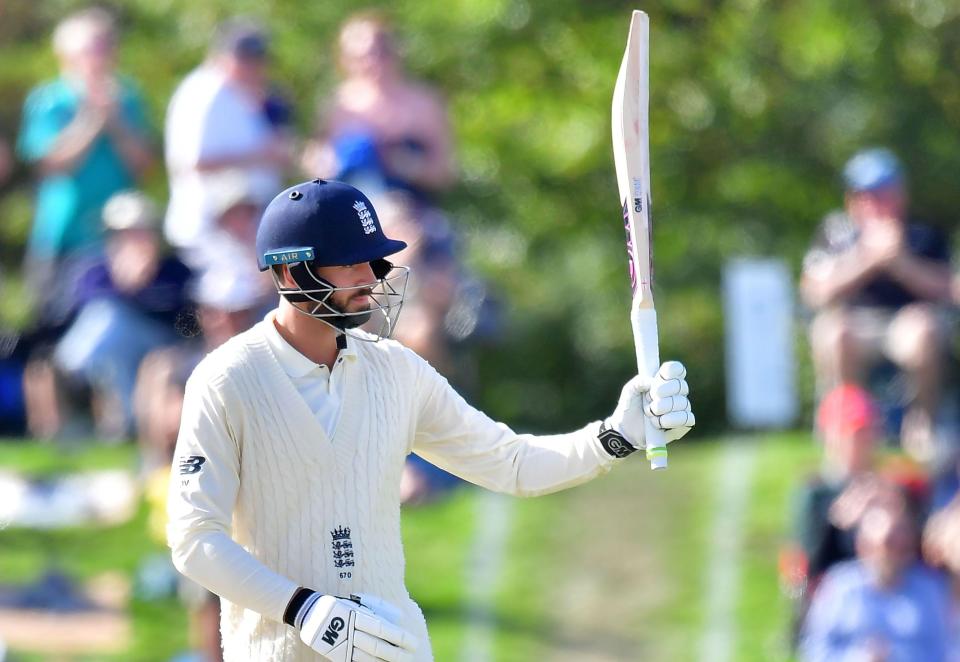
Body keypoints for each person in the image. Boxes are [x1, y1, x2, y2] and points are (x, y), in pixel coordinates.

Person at [166, 179, 695, 661]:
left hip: (394, 648)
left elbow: (511, 464)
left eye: (372, 262)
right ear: (288, 271)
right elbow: (194, 540)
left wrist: (614, 437)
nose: (369, 279)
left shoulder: (396, 370)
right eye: (349, 264)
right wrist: (301, 608)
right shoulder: (226, 381)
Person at [801, 148, 953, 460]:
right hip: (856, 325)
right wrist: (868, 258)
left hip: (905, 323)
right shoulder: (835, 234)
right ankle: (848, 426)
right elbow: (815, 292)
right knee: (834, 332)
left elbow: (949, 289)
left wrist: (900, 262)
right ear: (852, 199)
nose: (875, 203)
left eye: (884, 193)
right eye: (867, 195)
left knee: (923, 330)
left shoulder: (924, 234)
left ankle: (922, 423)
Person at [16, 7, 153, 320]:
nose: (101, 56)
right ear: (66, 54)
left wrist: (117, 122)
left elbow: (144, 165)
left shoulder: (128, 96)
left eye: (107, 46)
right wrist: (92, 120)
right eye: (93, 48)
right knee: (56, 326)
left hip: (119, 240)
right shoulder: (49, 100)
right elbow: (50, 164)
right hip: (63, 238)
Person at [26, 190, 192, 439]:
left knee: (116, 325)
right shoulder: (94, 271)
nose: (131, 240)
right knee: (109, 320)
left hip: (163, 344)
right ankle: (113, 418)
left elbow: (188, 323)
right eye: (122, 234)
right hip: (107, 353)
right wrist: (126, 284)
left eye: (138, 232)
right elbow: (76, 315)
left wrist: (143, 284)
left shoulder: (176, 270)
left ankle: (81, 380)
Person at [164, 17, 293, 267]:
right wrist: (262, 156)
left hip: (246, 231)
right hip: (210, 230)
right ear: (222, 55)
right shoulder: (204, 92)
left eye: (257, 59)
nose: (252, 66)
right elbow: (192, 162)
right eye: (244, 58)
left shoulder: (247, 94)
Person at [301, 12, 455, 202]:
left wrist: (407, 165)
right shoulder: (337, 104)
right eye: (361, 56)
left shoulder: (423, 103)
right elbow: (314, 155)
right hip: (351, 208)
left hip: (410, 209)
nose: (373, 62)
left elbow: (444, 172)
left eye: (381, 52)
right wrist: (328, 166)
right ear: (345, 60)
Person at [799, 483, 952, 661]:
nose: (892, 553)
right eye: (886, 544)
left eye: (900, 544)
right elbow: (816, 648)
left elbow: (941, 650)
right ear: (864, 546)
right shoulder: (841, 587)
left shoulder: (929, 590)